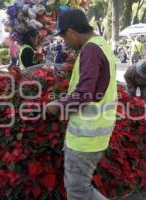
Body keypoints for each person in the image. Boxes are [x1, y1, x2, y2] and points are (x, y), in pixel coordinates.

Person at [46, 8, 117, 200]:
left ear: (70, 31)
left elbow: (84, 94)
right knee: (81, 189)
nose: (65, 44)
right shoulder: (101, 44)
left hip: (85, 139)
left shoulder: (90, 50)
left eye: (63, 38)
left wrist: (58, 106)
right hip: (96, 134)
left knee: (79, 191)